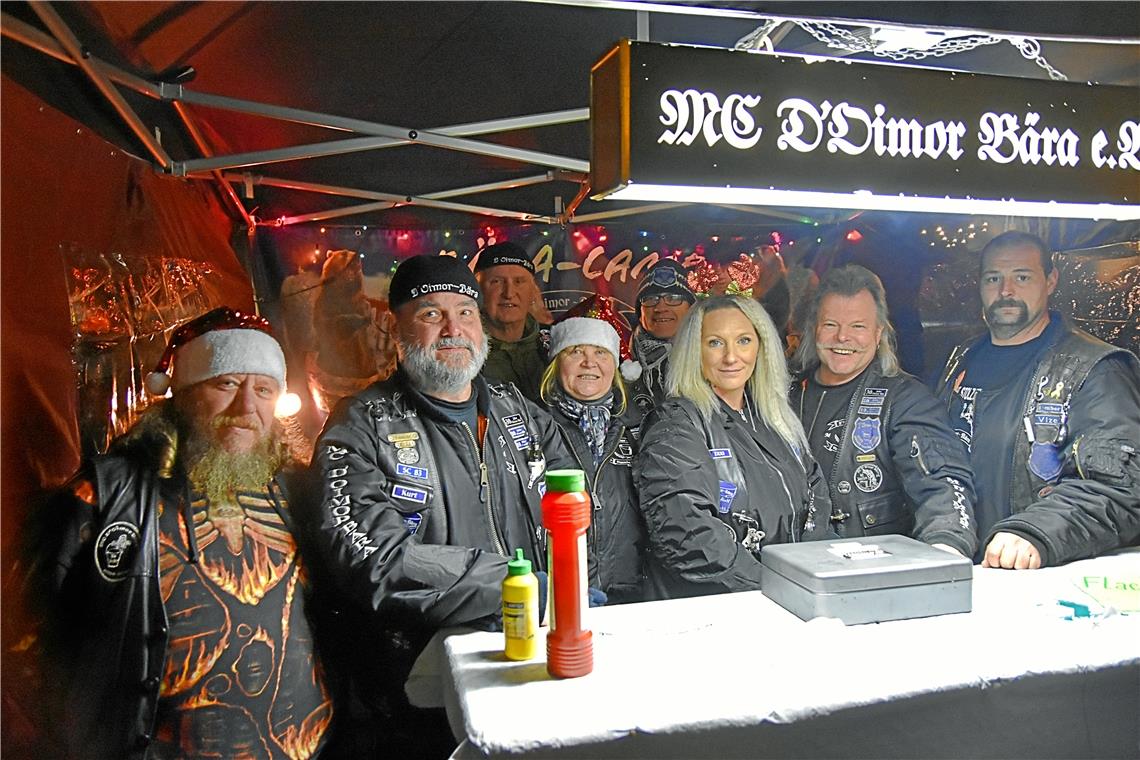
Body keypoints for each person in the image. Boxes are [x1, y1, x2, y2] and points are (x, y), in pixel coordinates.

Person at [25, 307, 332, 759]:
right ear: (181, 394)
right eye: (225, 384)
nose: (246, 408)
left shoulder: (303, 492)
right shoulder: (109, 493)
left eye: (264, 389)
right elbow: (27, 634)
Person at [307, 254, 575, 755]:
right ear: (396, 326)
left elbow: (576, 515)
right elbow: (375, 559)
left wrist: (574, 591)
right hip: (421, 688)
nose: (453, 328)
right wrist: (515, 587)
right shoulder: (361, 425)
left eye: (465, 312)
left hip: (532, 661)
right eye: (431, 314)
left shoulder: (521, 413)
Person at [935, 231, 1140, 569]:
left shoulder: (1096, 368)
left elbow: (1121, 489)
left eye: (1022, 276)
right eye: (994, 278)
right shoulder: (960, 358)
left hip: (1036, 578)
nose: (1006, 291)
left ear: (1051, 280)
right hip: (958, 565)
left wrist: (1035, 532)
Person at [638, 295, 832, 600]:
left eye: (743, 340)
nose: (731, 357)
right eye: (715, 343)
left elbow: (816, 499)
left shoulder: (774, 419)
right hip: (724, 610)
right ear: (694, 351)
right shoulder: (676, 425)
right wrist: (772, 587)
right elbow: (688, 534)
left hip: (790, 601)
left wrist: (815, 576)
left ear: (760, 346)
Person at [791, 265, 977, 557]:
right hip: (784, 565)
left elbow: (940, 482)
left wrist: (946, 545)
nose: (842, 337)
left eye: (858, 326)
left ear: (878, 334)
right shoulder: (784, 393)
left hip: (865, 573)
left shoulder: (905, 400)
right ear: (815, 328)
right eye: (830, 324)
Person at [539, 296, 647, 603]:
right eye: (576, 351)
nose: (590, 362)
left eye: (600, 352)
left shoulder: (641, 427)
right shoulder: (532, 427)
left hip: (632, 592)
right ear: (556, 362)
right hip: (562, 592)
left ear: (615, 365)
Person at [474, 241, 550, 402]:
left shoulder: (554, 343)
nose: (509, 293)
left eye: (519, 282)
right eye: (497, 282)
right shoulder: (465, 352)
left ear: (533, 290)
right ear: (478, 290)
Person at [628, 257, 697, 410]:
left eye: (673, 298)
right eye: (651, 298)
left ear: (691, 308)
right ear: (640, 312)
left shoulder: (711, 361)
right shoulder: (618, 361)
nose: (661, 307)